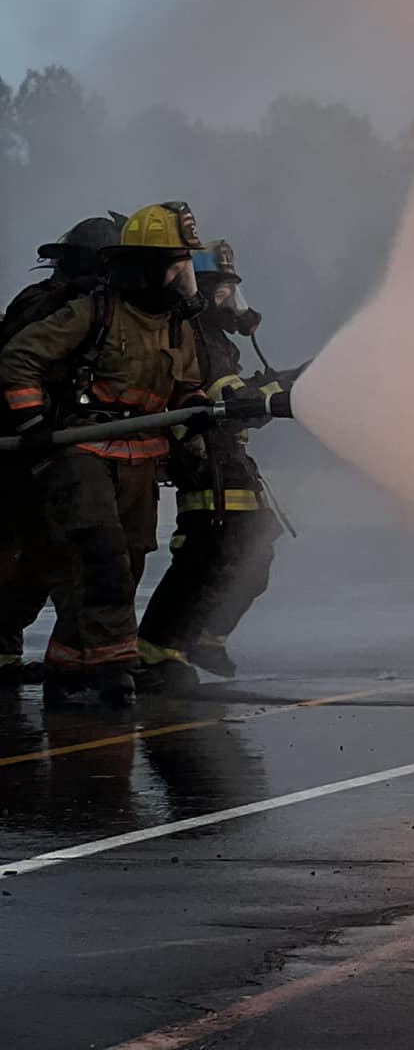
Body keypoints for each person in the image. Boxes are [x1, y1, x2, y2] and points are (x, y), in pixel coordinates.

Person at [0, 203, 206, 710]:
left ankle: (69, 668)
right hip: (83, 452)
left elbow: (186, 387)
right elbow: (18, 359)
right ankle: (116, 670)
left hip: (141, 459)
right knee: (100, 561)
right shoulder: (93, 311)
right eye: (175, 263)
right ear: (143, 264)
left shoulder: (175, 326)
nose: (185, 275)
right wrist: (33, 425)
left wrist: (197, 414)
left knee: (127, 564)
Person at [138, 239, 285, 688]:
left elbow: (238, 402)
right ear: (198, 288)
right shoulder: (196, 333)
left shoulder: (214, 336)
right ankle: (158, 648)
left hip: (229, 459)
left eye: (231, 291)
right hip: (203, 460)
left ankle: (205, 635)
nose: (230, 300)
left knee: (253, 552)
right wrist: (272, 395)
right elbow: (227, 398)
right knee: (204, 554)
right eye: (221, 290)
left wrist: (278, 388)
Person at [0, 215, 125, 684]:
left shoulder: (106, 311)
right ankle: (67, 666)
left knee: (64, 559)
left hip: (68, 455)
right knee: (40, 562)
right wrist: (34, 421)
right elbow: (17, 362)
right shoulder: (45, 305)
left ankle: (79, 662)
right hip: (23, 457)